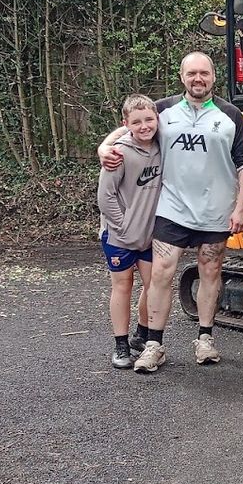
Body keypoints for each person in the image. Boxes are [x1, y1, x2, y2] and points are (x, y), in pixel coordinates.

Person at [99, 52, 243, 373]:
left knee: (210, 273)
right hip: (172, 208)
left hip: (216, 211)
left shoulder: (231, 115)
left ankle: (205, 339)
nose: (198, 79)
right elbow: (130, 126)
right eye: (192, 73)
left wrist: (241, 207)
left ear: (213, 76)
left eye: (205, 73)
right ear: (182, 76)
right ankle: (154, 344)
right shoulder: (163, 110)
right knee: (161, 274)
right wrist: (104, 147)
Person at [97, 95, 162, 369]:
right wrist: (123, 225)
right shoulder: (118, 153)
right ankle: (120, 344)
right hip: (119, 236)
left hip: (150, 235)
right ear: (126, 124)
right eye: (136, 122)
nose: (145, 126)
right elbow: (105, 197)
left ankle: (142, 334)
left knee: (154, 285)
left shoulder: (163, 147)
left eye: (149, 119)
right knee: (123, 285)